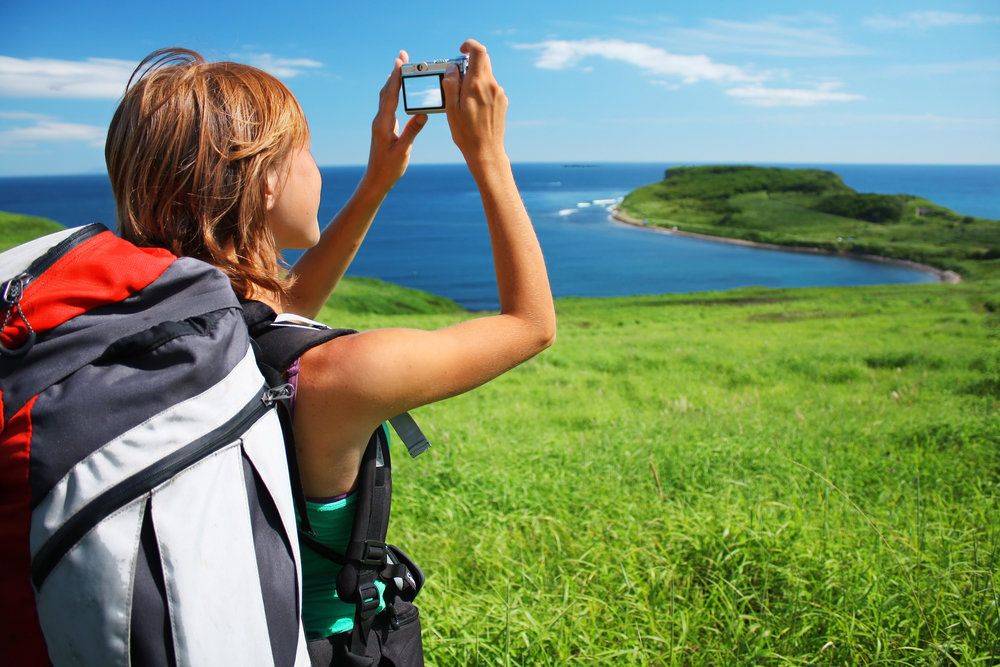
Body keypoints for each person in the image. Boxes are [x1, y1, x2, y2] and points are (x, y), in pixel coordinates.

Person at [105, 39, 555, 665]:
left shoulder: (155, 333)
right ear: (266, 183)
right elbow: (529, 324)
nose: (318, 168)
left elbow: (278, 311)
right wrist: (489, 156)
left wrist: (376, 183)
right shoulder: (340, 374)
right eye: (307, 152)